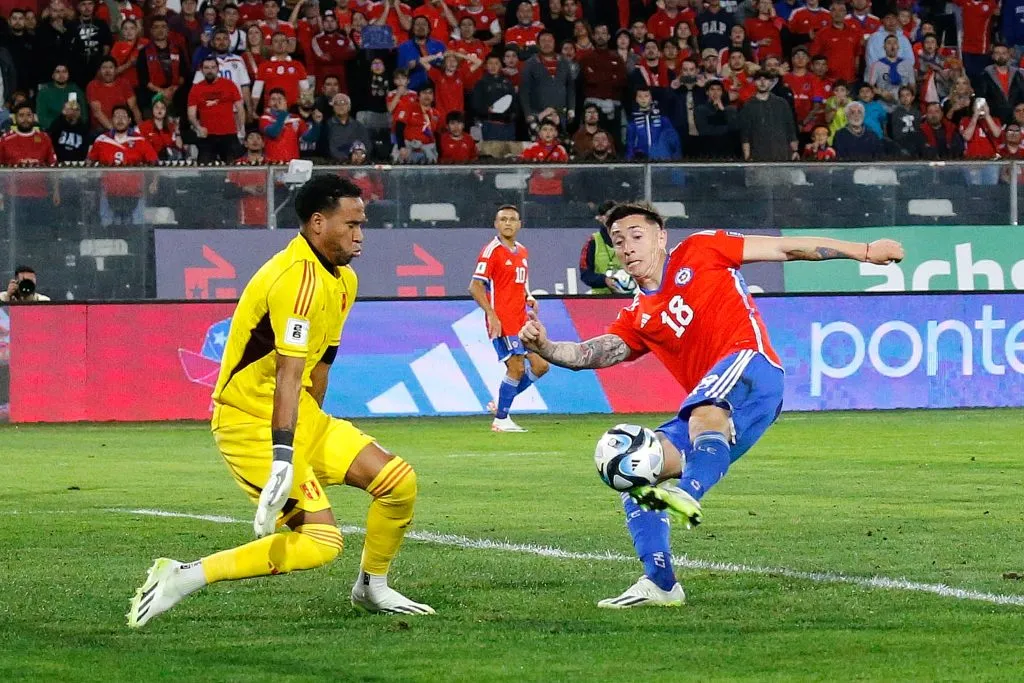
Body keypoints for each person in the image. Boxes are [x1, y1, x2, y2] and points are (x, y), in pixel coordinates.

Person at [519, 201, 905, 607]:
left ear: (661, 237)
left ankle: (688, 493)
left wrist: (863, 252)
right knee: (632, 469)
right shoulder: (638, 316)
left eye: (637, 235)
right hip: (719, 404)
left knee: (705, 409)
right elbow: (589, 355)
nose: (628, 247)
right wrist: (544, 345)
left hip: (753, 368)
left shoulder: (700, 250)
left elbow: (787, 249)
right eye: (619, 241)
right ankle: (662, 584)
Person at [127, 176, 434, 628]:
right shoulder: (295, 280)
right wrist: (285, 456)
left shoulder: (344, 280)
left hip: (298, 414)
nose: (359, 234)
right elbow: (289, 375)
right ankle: (183, 576)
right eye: (350, 224)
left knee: (398, 483)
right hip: (248, 422)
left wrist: (312, 434)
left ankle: (372, 586)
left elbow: (320, 367)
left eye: (362, 224)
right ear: (317, 223)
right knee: (322, 542)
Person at [468, 205, 549, 433]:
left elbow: (521, 283)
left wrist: (529, 297)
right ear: (496, 224)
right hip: (502, 321)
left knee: (541, 366)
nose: (508, 223)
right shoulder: (491, 251)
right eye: (503, 219)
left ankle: (501, 404)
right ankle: (501, 419)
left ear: (519, 224)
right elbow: (475, 287)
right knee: (516, 368)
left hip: (522, 320)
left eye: (512, 219)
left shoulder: (522, 251)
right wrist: (491, 316)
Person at [188, 55, 245, 162]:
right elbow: (191, 114)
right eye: (206, 68)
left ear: (218, 69)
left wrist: (239, 128)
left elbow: (240, 108)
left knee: (235, 169)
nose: (210, 71)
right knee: (205, 171)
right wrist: (198, 127)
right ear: (201, 70)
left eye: (213, 67)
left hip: (229, 134)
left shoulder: (229, 85)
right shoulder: (196, 88)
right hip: (207, 136)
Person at [578, 200, 635, 295]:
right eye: (609, 216)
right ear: (600, 218)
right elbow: (585, 275)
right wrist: (605, 281)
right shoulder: (593, 242)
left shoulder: (631, 240)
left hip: (628, 299)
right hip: (600, 301)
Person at [739, 70, 798, 160]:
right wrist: (747, 158)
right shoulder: (748, 105)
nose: (762, 82)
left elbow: (790, 129)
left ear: (771, 82)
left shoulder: (781, 103)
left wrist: (795, 151)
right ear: (754, 82)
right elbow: (745, 135)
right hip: (758, 156)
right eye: (759, 79)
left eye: (766, 79)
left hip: (782, 155)